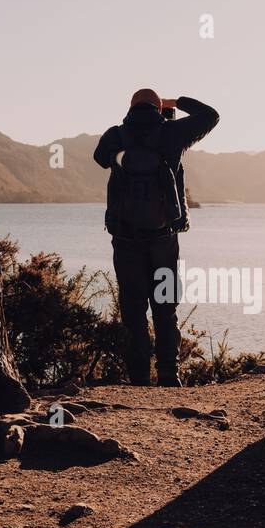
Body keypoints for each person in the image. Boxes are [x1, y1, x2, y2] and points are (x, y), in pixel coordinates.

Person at [93, 88, 219, 386]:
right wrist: (176, 104)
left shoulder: (115, 135)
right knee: (165, 305)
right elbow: (211, 116)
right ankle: (168, 374)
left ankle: (138, 376)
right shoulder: (174, 133)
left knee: (133, 308)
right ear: (159, 106)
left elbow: (100, 157)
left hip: (125, 237)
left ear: (131, 106)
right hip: (163, 236)